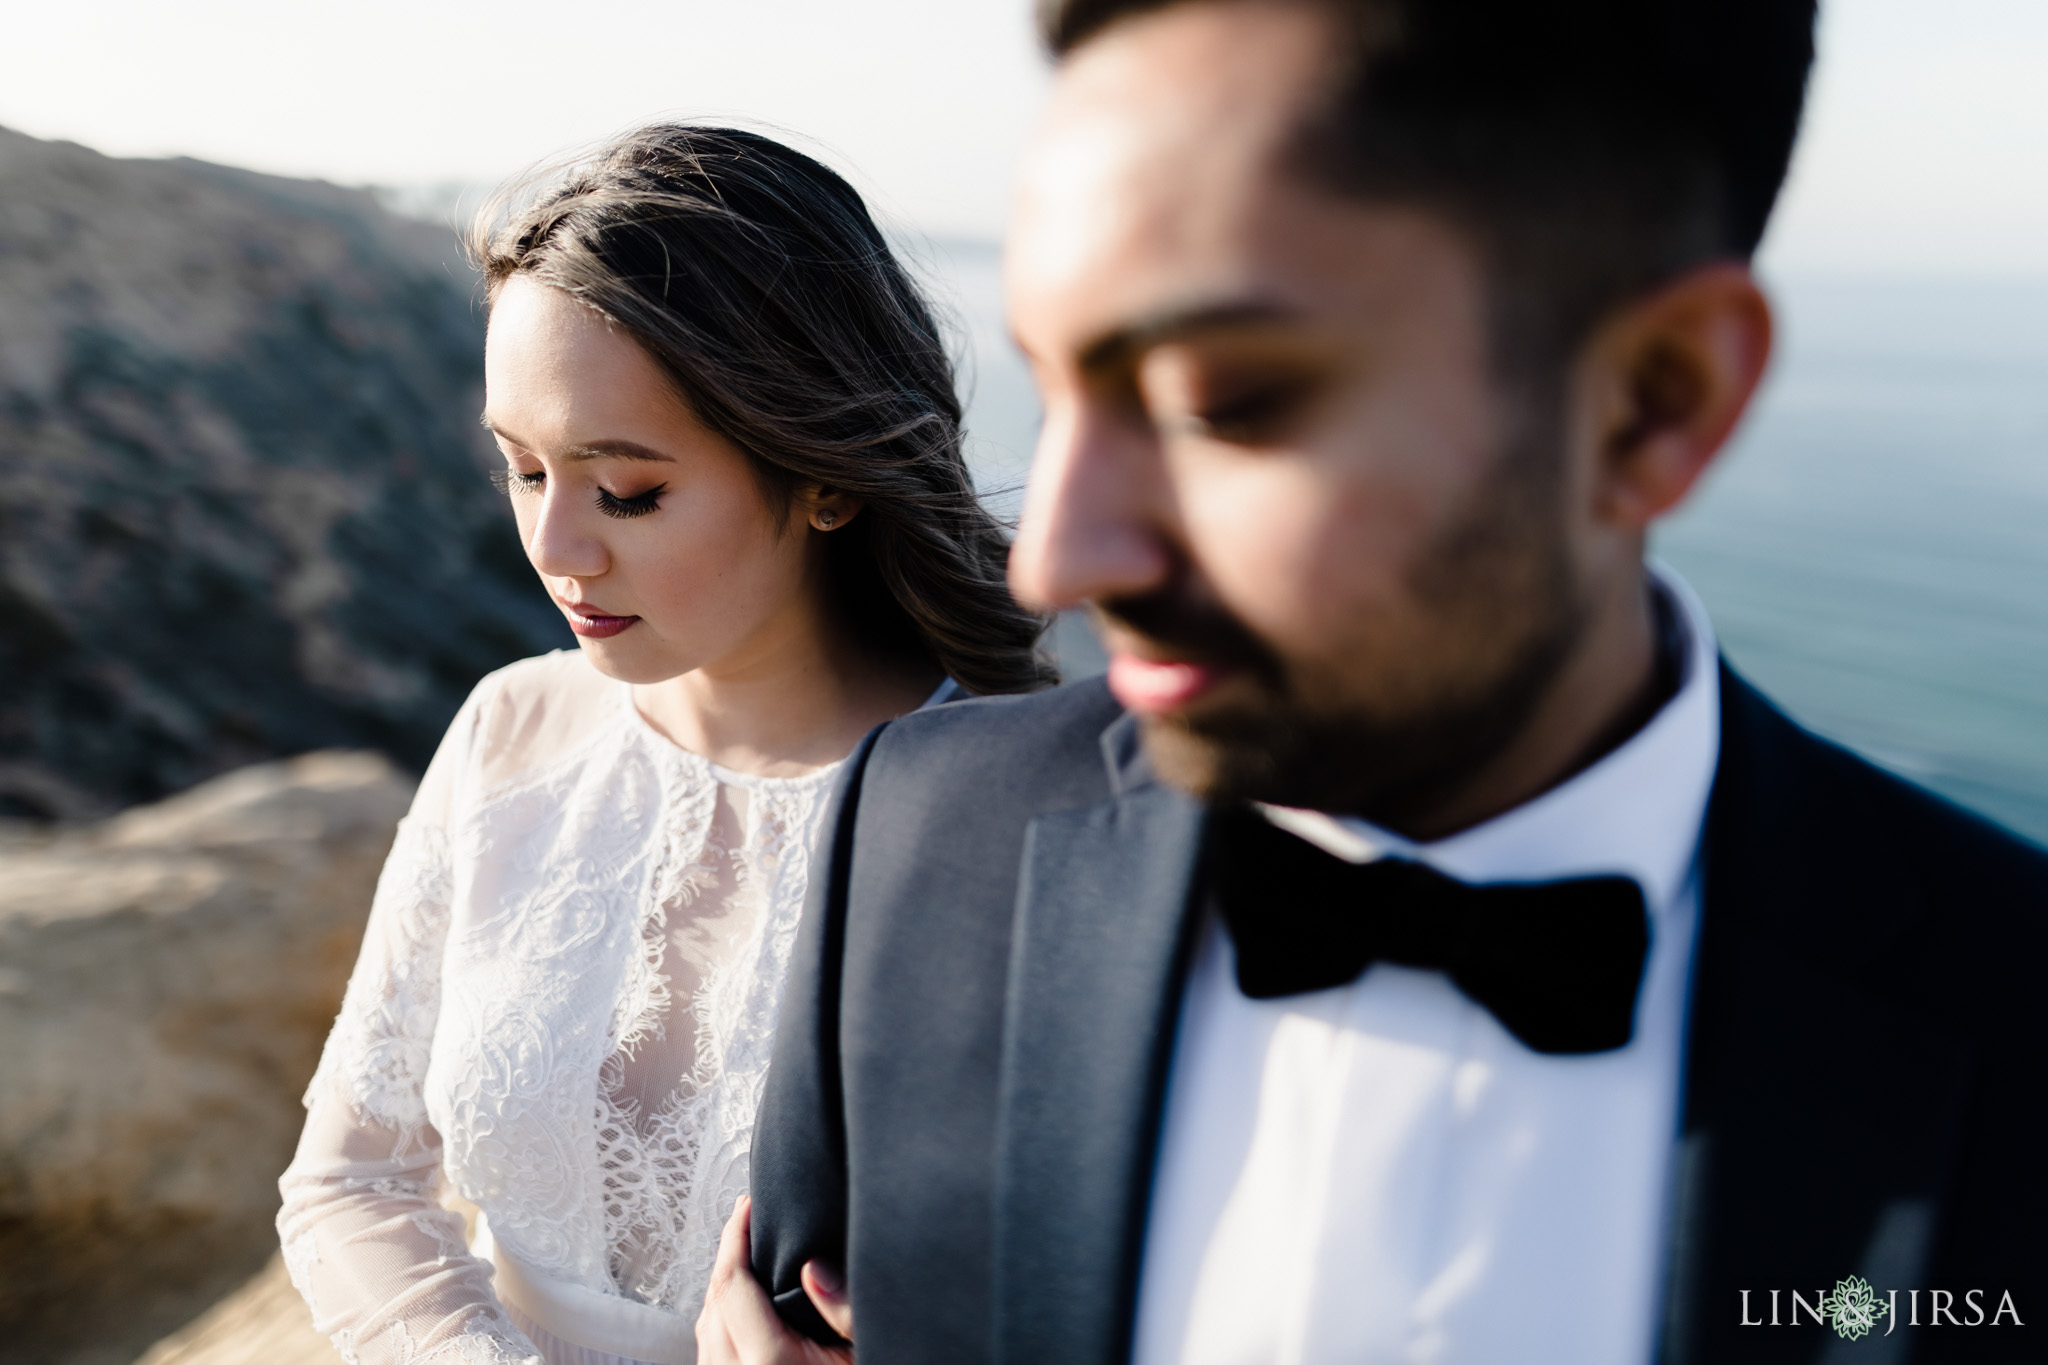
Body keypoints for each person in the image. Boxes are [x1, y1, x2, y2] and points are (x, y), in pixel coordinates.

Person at [697, 2, 2048, 1363]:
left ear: (1656, 399)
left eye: (1219, 401)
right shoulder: (924, 842)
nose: (1052, 557)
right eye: (1055, 389)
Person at [276, 124, 1052, 1365]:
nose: (556, 547)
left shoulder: (1016, 813)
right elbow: (350, 1183)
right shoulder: (512, 730)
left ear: (823, 478)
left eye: (626, 490)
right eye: (522, 470)